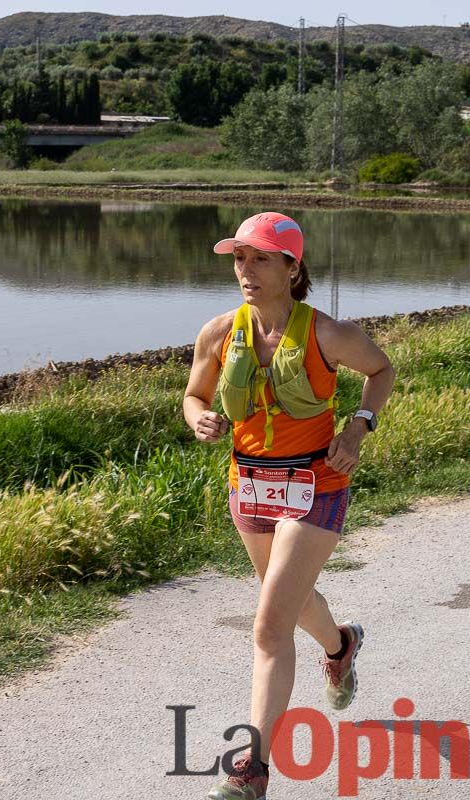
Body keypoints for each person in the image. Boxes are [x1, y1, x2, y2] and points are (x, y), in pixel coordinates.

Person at [183, 212, 395, 800]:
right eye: (238, 258)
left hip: (315, 487)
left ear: (292, 267)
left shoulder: (327, 333)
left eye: (259, 259)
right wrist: (198, 417)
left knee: (270, 623)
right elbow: (195, 391)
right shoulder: (219, 332)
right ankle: (341, 646)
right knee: (293, 601)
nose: (244, 271)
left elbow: (381, 370)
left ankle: (252, 769)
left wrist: (357, 428)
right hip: (248, 485)